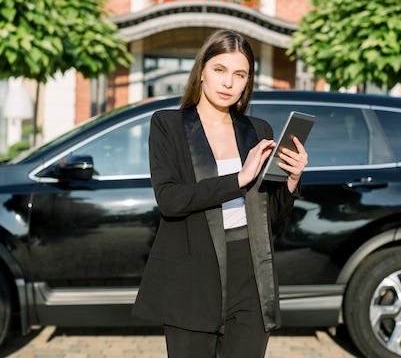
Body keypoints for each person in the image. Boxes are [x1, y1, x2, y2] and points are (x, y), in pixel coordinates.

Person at [132, 29, 308, 358]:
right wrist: (238, 179)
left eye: (239, 74)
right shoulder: (168, 125)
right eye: (219, 70)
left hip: (251, 272)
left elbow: (270, 216)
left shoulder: (258, 131)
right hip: (193, 272)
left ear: (247, 82)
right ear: (201, 71)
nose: (228, 83)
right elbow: (170, 201)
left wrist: (292, 180)